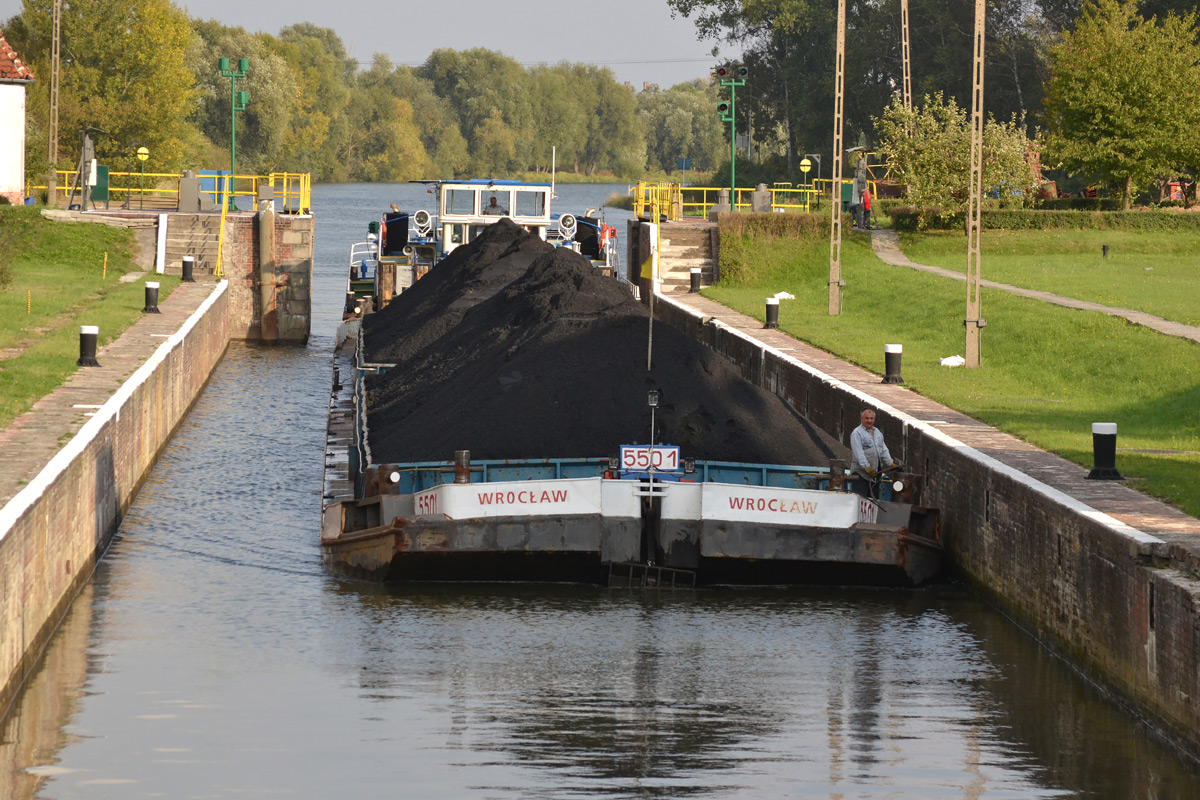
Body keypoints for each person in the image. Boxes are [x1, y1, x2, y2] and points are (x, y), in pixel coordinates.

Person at [849, 407, 897, 497]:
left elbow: (884, 451)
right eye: (867, 418)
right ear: (861, 419)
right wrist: (867, 468)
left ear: (874, 419)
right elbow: (859, 454)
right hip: (861, 476)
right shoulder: (857, 433)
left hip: (875, 476)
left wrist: (891, 463)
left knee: (872, 503)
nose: (869, 421)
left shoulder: (877, 433)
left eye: (871, 418)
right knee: (860, 501)